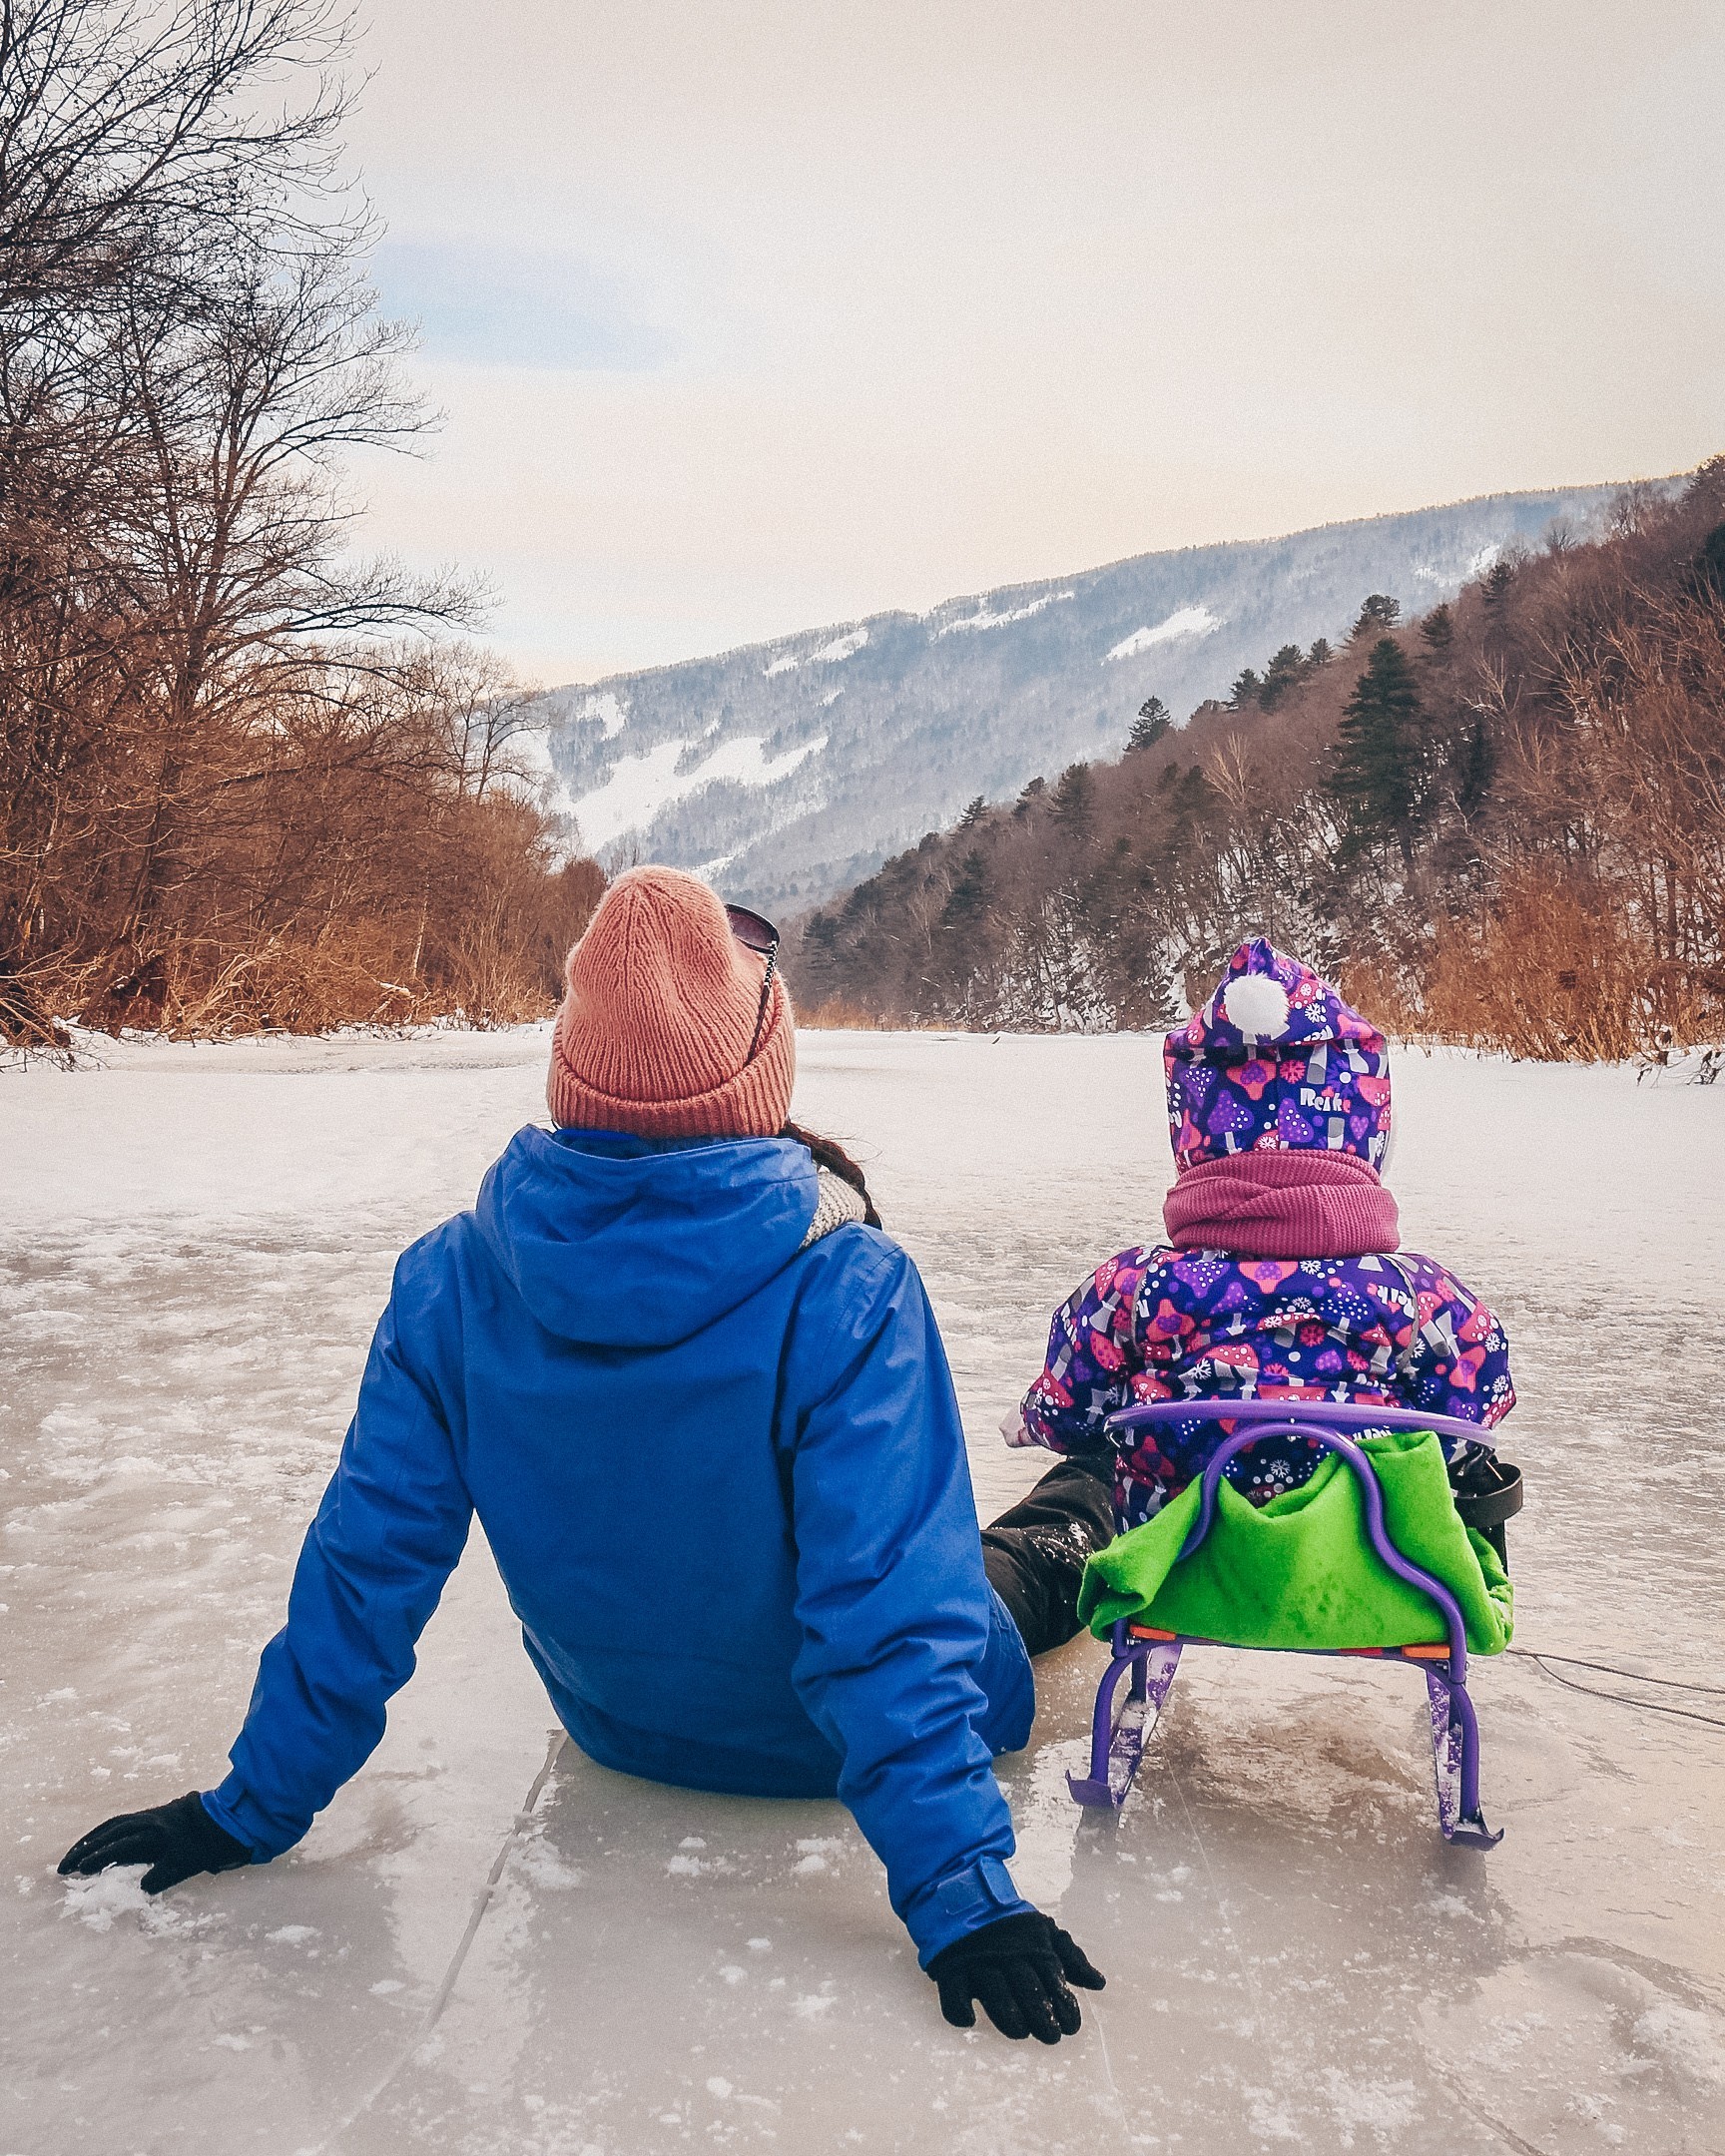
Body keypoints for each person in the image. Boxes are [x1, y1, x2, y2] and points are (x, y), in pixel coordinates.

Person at [60, 866, 1112, 2045]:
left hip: (621, 1727)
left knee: (936, 1559)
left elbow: (367, 1572)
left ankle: (1084, 1497)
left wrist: (245, 1810)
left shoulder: (450, 1280)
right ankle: (1099, 1490)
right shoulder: (850, 1286)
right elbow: (892, 1617)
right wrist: (964, 1899)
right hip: (824, 1746)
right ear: (763, 1075)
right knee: (1004, 1573)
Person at [1007, 937, 1516, 1530]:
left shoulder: (1136, 1287)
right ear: (1366, 1132)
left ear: (1191, 1132)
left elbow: (1069, 1409)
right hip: (1376, 1576)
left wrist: (1039, 1419)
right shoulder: (1418, 1293)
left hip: (1183, 1574)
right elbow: (1478, 1405)